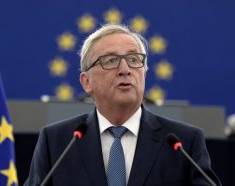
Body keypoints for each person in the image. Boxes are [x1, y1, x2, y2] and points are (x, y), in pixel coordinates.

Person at [24, 24, 221, 186]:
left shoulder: (183, 142)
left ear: (144, 73)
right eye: (111, 61)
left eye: (134, 60)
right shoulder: (57, 141)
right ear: (86, 82)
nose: (125, 69)